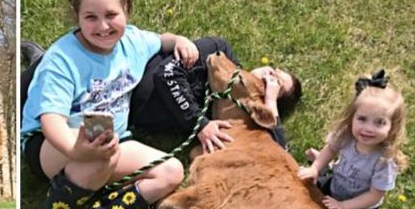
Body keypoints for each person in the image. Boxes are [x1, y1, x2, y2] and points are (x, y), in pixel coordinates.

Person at [22, 0, 192, 209]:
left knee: (170, 172)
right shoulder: (62, 59)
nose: (103, 26)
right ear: (78, 18)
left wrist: (179, 40)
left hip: (109, 140)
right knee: (98, 155)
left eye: (111, 15)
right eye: (91, 18)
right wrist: (78, 152)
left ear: (126, 10)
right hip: (51, 147)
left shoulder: (134, 43)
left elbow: (162, 39)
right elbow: (51, 122)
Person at [129, 36, 303, 153]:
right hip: (123, 79)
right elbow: (166, 74)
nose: (268, 75)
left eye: (273, 83)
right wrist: (200, 124)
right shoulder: (219, 52)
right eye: (273, 71)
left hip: (124, 119)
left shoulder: (234, 119)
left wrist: (271, 103)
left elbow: (278, 152)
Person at [297, 70, 412, 209]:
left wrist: (343, 207)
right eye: (362, 119)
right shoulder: (346, 135)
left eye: (379, 122)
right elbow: (331, 148)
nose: (368, 128)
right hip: (336, 184)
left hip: (360, 205)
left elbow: (373, 196)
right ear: (352, 117)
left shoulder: (385, 160)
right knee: (304, 187)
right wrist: (315, 168)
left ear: (392, 127)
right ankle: (320, 164)